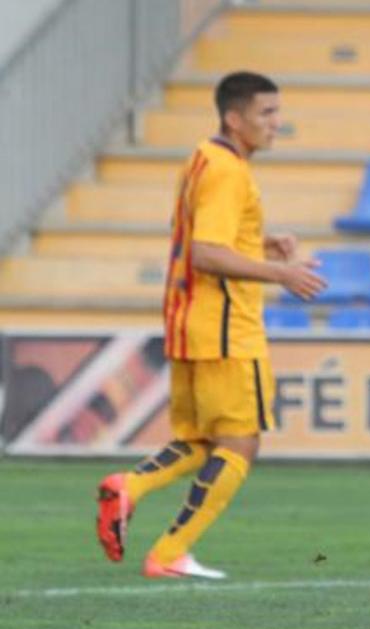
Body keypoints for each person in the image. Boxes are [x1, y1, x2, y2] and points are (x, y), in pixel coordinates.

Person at [94, 72, 327, 579]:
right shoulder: (228, 170)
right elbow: (204, 253)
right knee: (241, 443)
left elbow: (200, 237)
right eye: (267, 113)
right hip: (226, 329)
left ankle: (128, 489)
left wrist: (263, 245)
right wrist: (279, 272)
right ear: (234, 117)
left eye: (277, 112)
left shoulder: (205, 156)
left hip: (190, 322)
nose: (276, 124)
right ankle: (170, 551)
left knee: (203, 440)